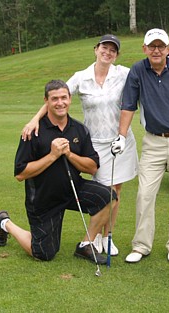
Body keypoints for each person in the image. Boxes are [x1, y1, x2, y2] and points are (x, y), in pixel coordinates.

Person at [21, 34, 138, 256]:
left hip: (120, 141)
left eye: (113, 50)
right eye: (104, 48)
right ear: (96, 49)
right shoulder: (81, 77)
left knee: (116, 190)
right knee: (104, 190)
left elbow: (145, 75)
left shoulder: (123, 73)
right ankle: (93, 238)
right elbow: (58, 97)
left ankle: (106, 237)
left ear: (117, 54)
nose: (108, 52)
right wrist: (35, 119)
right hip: (92, 143)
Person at [0, 79, 115, 264]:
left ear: (70, 99)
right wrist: (52, 155)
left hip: (72, 190)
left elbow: (92, 166)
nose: (60, 103)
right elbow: (20, 173)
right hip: (43, 198)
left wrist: (69, 154)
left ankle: (85, 245)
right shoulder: (32, 131)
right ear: (46, 101)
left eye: (63, 98)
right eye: (54, 98)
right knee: (43, 253)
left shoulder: (79, 129)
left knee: (108, 197)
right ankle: (5, 222)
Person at [112, 28, 169, 263]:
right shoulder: (138, 71)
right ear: (144, 49)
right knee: (145, 195)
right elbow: (129, 105)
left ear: (168, 49)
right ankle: (141, 245)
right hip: (153, 142)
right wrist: (121, 136)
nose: (156, 50)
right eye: (152, 46)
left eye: (161, 46)